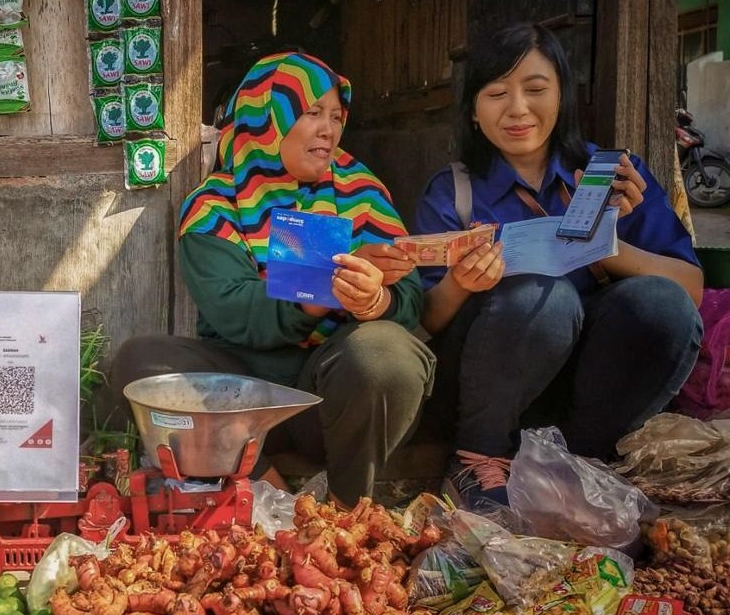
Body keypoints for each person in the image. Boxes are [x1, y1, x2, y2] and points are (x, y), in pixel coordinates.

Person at [108, 51, 434, 509]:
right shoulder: (215, 206)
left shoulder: (361, 191)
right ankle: (268, 489)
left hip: (333, 398)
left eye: (337, 116)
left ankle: (348, 511)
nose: (329, 129)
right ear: (266, 118)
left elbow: (411, 299)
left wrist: (375, 300)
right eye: (311, 112)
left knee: (385, 353)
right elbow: (234, 309)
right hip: (240, 400)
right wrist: (321, 290)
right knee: (141, 361)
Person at [415, 22, 704, 511]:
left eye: (535, 89)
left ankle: (576, 461)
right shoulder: (455, 193)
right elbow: (425, 320)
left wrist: (605, 246)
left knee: (661, 304)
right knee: (541, 296)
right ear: (473, 110)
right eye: (497, 93)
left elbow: (690, 291)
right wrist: (463, 283)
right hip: (490, 392)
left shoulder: (611, 178)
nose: (518, 109)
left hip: (585, 395)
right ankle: (476, 459)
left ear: (563, 95)